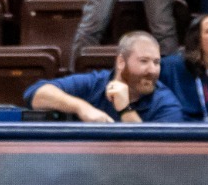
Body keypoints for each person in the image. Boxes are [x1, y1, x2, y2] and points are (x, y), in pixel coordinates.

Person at [24, 33, 183, 122]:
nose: (152, 70)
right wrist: (83, 108)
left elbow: (151, 155)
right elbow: (35, 93)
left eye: (157, 62)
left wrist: (125, 109)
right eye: (144, 61)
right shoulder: (95, 83)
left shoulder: (166, 104)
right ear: (121, 61)